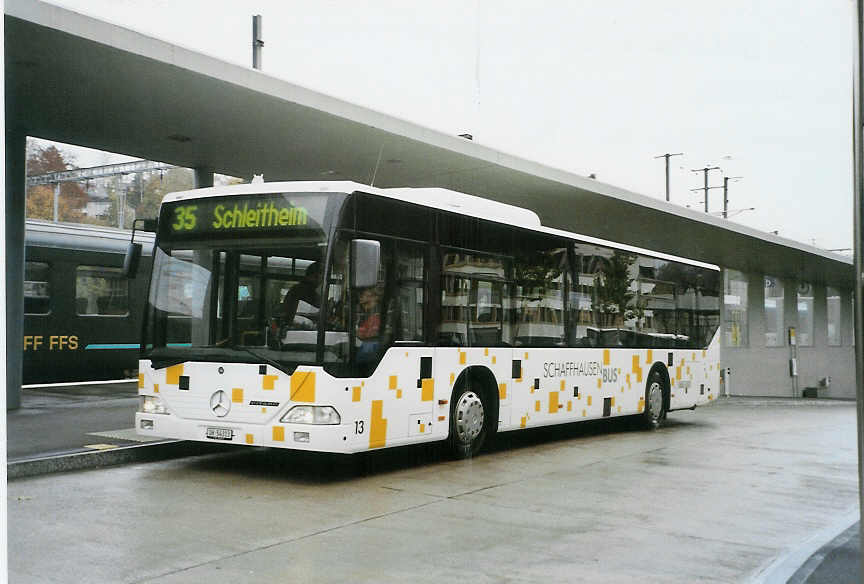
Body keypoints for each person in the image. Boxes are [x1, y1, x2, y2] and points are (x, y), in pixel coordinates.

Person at [281, 261, 321, 328]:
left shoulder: (296, 289)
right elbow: (310, 312)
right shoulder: (303, 290)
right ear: (312, 276)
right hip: (300, 326)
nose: (320, 281)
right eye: (320, 277)